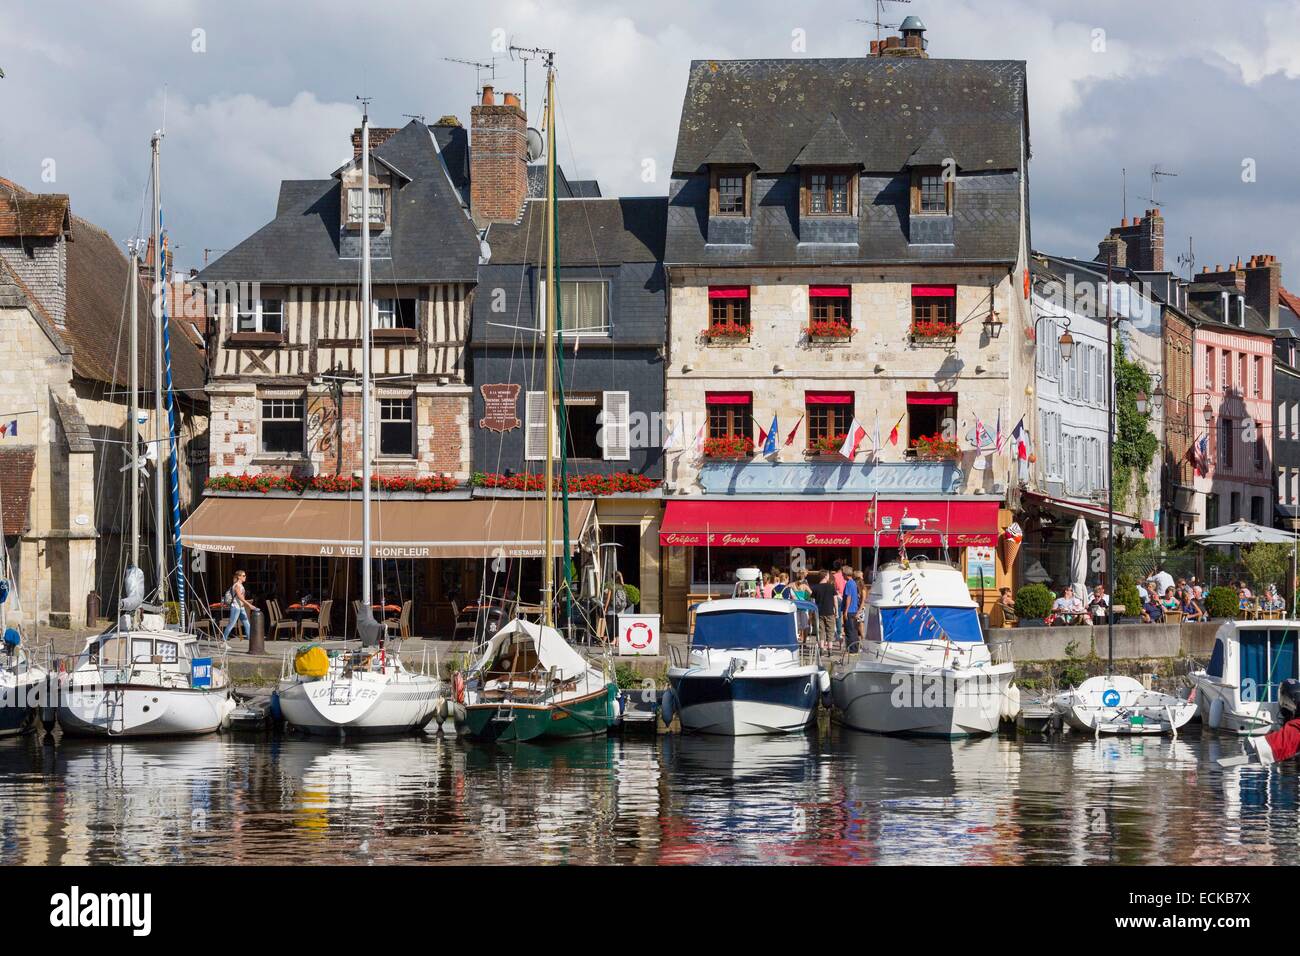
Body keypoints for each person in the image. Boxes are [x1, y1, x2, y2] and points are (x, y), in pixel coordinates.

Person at [222, 570, 255, 641]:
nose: (245, 577)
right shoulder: (237, 585)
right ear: (239, 577)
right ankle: (223, 640)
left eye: (245, 575)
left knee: (246, 623)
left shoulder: (241, 585)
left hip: (241, 607)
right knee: (231, 624)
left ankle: (251, 640)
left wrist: (245, 604)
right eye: (243, 576)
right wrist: (249, 605)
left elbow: (241, 597)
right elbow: (240, 597)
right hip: (236, 607)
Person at [811, 570, 838, 652]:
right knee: (830, 631)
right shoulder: (831, 586)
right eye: (828, 575)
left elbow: (812, 601)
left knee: (821, 631)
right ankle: (830, 650)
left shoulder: (815, 587)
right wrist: (836, 611)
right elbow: (835, 600)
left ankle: (821, 649)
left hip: (819, 612)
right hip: (829, 611)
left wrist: (812, 612)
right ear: (826, 576)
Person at [841, 565, 861, 652]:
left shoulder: (849, 583)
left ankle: (852, 649)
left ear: (845, 574)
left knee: (850, 631)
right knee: (854, 630)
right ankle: (855, 648)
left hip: (850, 611)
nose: (842, 576)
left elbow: (848, 597)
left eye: (842, 574)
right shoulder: (853, 583)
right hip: (854, 610)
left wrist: (845, 611)